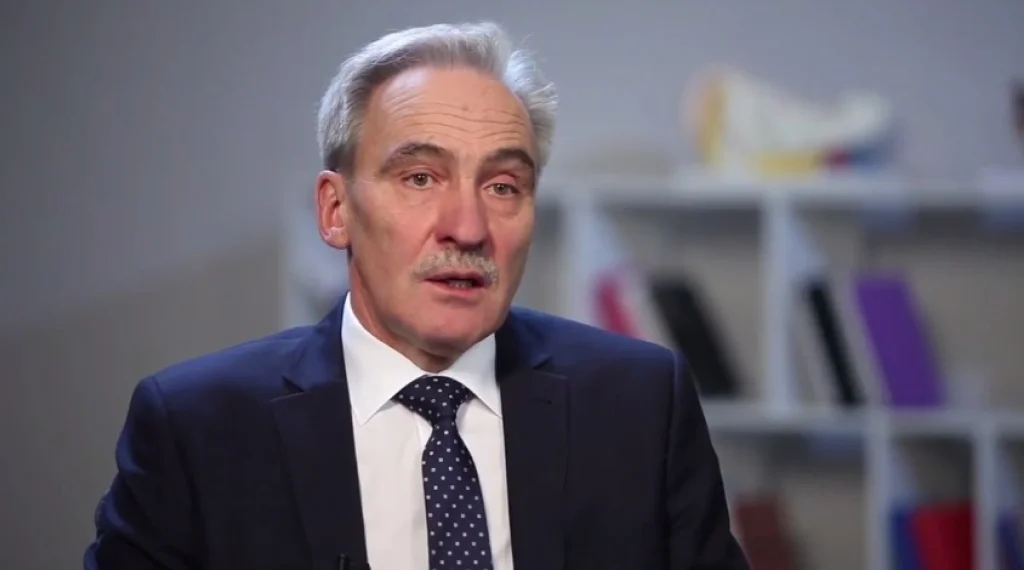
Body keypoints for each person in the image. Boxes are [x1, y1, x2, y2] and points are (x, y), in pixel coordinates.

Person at [84, 21, 749, 570]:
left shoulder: (640, 405)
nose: (468, 227)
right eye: (421, 178)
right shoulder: (196, 429)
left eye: (503, 187)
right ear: (336, 210)